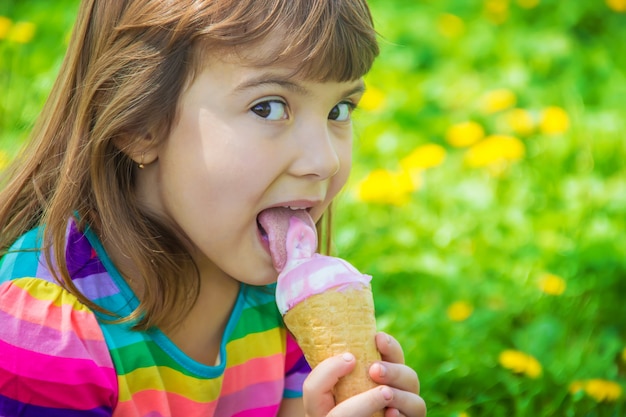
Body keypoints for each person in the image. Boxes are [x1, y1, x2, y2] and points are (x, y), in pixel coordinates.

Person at [0, 0, 426, 416]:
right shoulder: (47, 333)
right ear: (140, 124)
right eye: (269, 107)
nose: (324, 161)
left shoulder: (286, 302)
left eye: (339, 109)